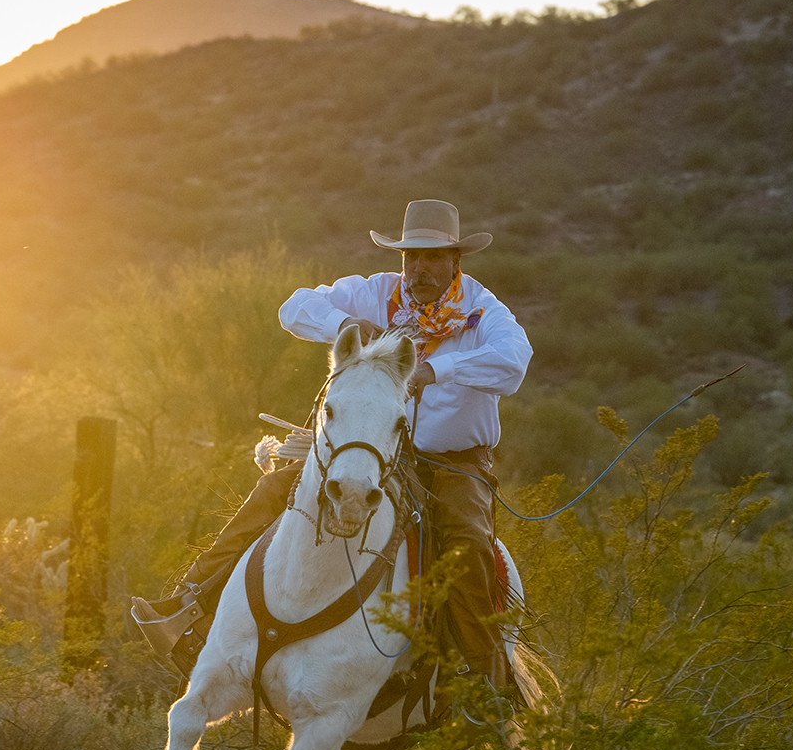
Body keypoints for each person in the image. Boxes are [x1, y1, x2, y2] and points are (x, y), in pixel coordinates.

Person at [133, 199, 533, 693]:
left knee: (468, 542)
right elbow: (294, 307)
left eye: (432, 257)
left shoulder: (482, 311)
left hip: (454, 462)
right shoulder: (377, 294)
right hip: (378, 452)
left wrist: (434, 370)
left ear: (456, 260)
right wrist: (344, 326)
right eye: (411, 256)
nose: (419, 268)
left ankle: (485, 683)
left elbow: (514, 363)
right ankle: (188, 606)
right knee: (276, 491)